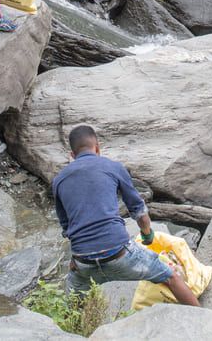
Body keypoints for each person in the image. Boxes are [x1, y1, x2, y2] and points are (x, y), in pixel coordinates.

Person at [52, 125, 200, 306]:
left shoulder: (59, 180)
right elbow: (138, 210)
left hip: (84, 262)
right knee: (172, 276)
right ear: (98, 148)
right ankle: (206, 320)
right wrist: (147, 235)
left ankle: (71, 333)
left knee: (73, 303)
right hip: (120, 254)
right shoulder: (113, 167)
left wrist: (76, 259)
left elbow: (67, 227)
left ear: (72, 155)